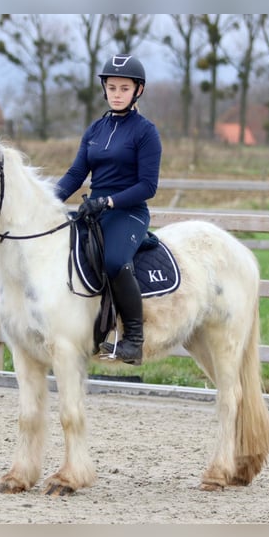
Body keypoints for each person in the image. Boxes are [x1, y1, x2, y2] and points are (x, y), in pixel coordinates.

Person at [54, 54, 162, 366]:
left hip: (128, 210)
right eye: (111, 87)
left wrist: (111, 201)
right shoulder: (95, 130)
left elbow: (147, 186)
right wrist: (47, 200)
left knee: (114, 261)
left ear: (137, 91)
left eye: (123, 88)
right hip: (94, 209)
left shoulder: (145, 132)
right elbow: (76, 175)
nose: (116, 93)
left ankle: (133, 340)